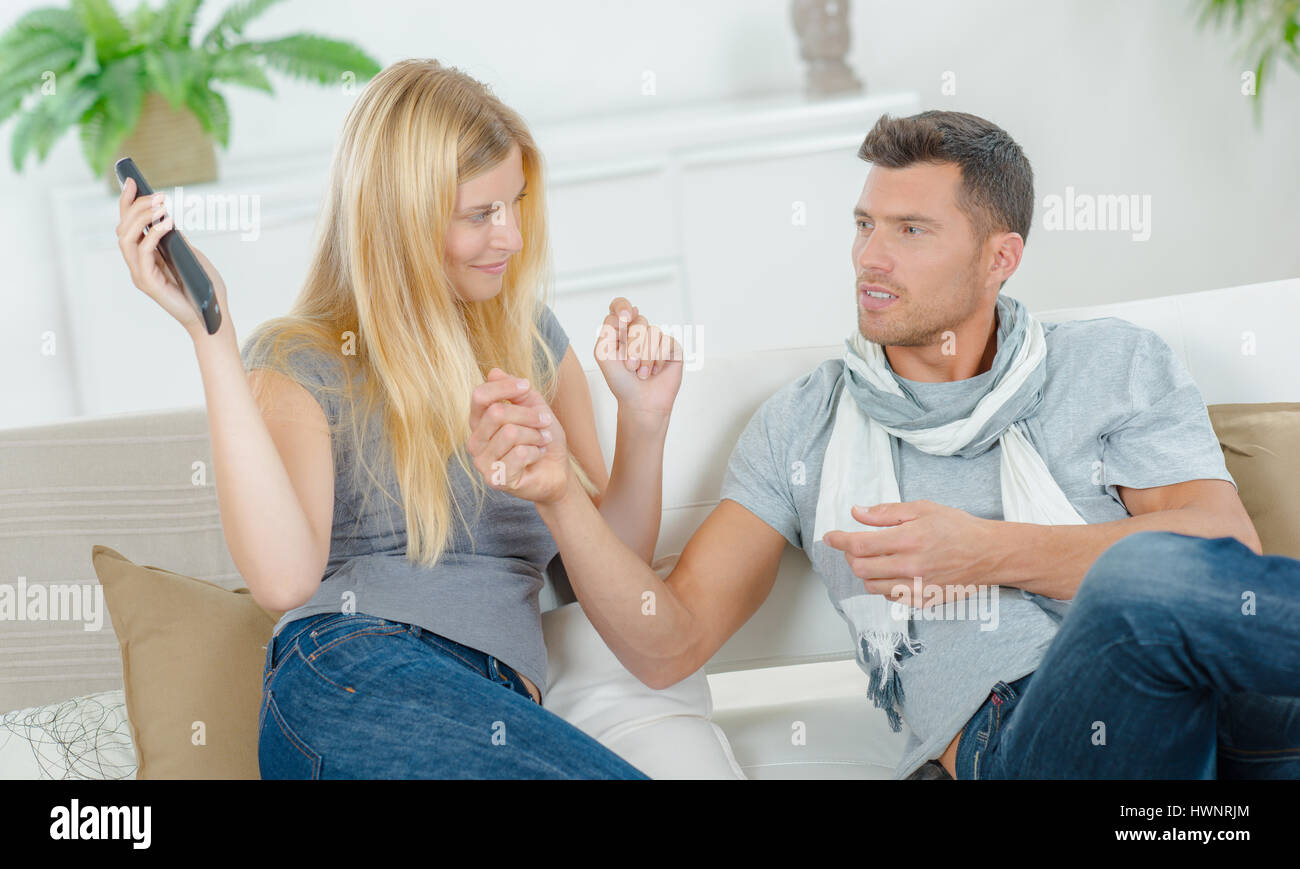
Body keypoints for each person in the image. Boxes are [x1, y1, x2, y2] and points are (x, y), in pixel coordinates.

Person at [476, 110, 1300, 780]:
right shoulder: (804, 424)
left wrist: (982, 552)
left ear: (998, 258)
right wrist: (564, 488)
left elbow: (1222, 552)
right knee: (1134, 590)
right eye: (865, 224)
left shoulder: (1112, 363)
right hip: (1027, 742)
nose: (870, 257)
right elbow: (671, 641)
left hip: (1229, 714)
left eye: (910, 230)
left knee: (1159, 592)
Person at [112, 57, 684, 778]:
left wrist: (643, 420)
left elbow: (611, 573)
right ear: (403, 223)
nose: (509, 236)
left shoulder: (532, 341)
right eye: (481, 214)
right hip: (352, 671)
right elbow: (284, 580)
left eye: (515, 203)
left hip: (494, 703)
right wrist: (213, 339)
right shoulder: (303, 359)